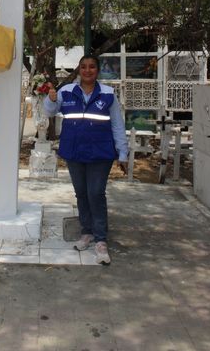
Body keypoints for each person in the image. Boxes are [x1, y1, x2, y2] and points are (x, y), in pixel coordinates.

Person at [43, 54, 128, 265]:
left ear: (97, 70)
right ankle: (87, 232)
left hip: (100, 153)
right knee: (81, 193)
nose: (87, 70)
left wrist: (123, 152)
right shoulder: (66, 91)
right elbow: (49, 111)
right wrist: (51, 99)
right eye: (83, 67)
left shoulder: (108, 94)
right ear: (78, 70)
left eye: (92, 67)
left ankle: (101, 239)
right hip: (75, 153)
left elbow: (117, 125)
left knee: (96, 193)